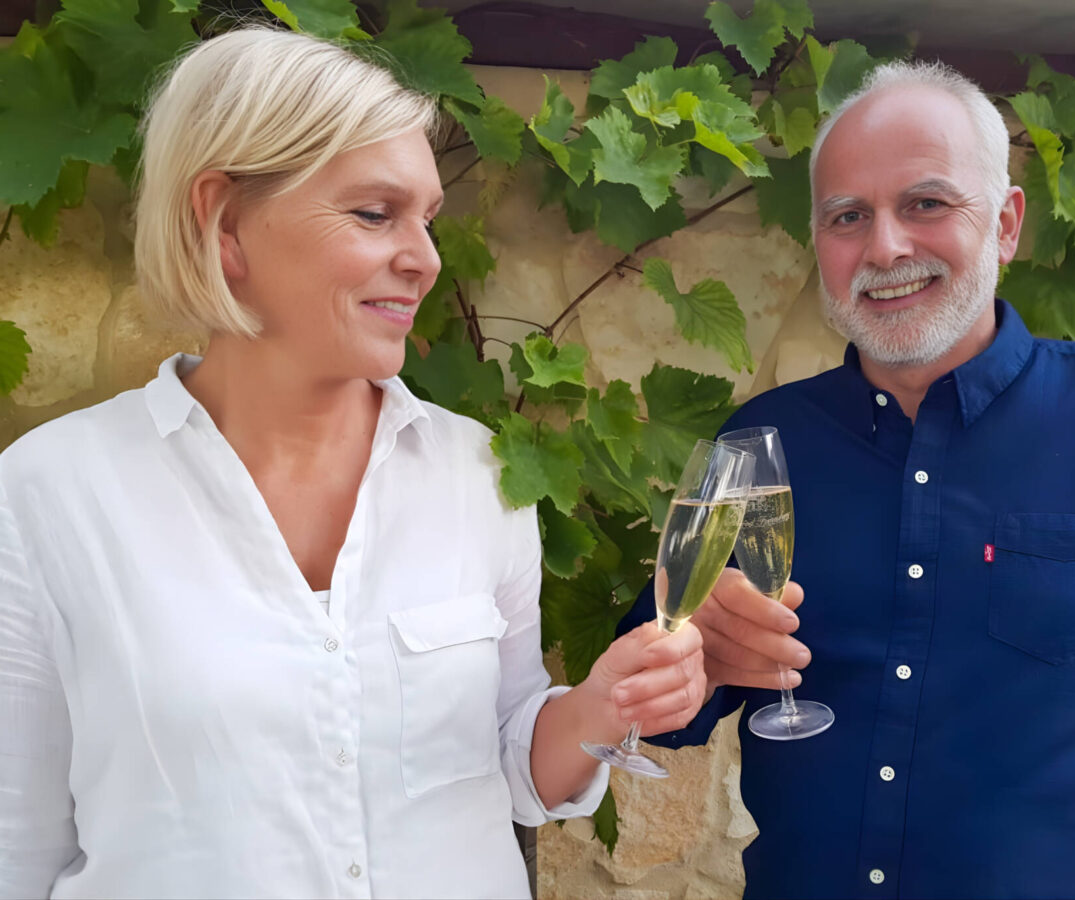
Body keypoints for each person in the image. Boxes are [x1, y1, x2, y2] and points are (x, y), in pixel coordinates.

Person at [0, 28, 707, 900]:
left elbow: (510, 763)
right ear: (224, 224)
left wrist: (602, 706)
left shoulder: (479, 473)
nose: (426, 259)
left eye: (427, 219)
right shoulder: (48, 496)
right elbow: (16, 844)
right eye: (375, 214)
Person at [622, 59, 1075, 899]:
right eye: (848, 216)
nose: (885, 246)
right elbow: (651, 704)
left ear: (1005, 224)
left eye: (926, 203)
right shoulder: (764, 442)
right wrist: (682, 665)